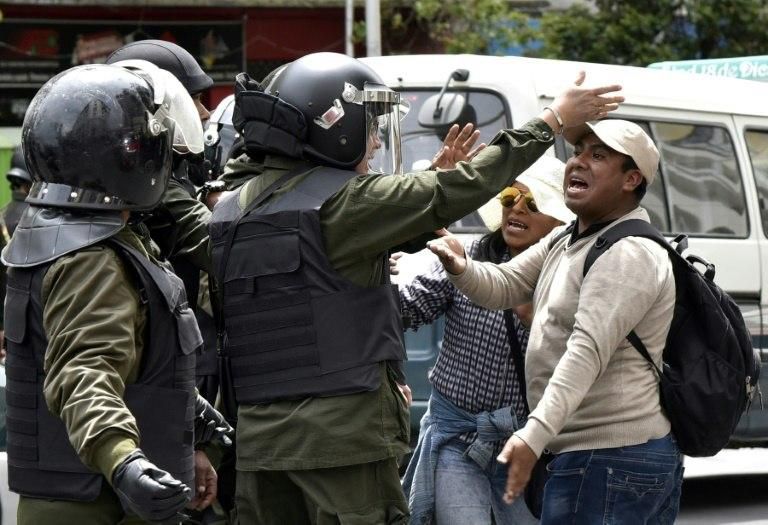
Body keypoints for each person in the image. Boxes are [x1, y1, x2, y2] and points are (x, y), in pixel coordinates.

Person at [209, 51, 622, 524]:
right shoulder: (344, 204)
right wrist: (552, 120)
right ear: (334, 126)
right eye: (369, 126)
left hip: (259, 444)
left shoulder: (231, 211)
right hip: (341, 444)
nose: (373, 142)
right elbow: (468, 184)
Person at [2, 62, 228, 524]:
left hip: (93, 498)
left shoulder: (84, 235)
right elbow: (84, 370)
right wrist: (124, 460)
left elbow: (135, 360)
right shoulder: (91, 258)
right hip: (95, 503)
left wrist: (193, 417)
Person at [427, 119, 684, 524]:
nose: (578, 162)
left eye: (598, 156)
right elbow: (505, 284)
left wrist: (533, 434)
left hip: (612, 457)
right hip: (586, 455)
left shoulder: (628, 252)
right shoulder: (569, 237)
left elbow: (586, 352)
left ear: (631, 179)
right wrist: (459, 264)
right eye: (578, 151)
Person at [398, 156, 574, 525]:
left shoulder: (570, 277)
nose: (516, 209)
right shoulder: (469, 254)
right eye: (511, 197)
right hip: (456, 439)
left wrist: (533, 318)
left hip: (527, 447)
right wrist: (374, 265)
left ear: (560, 223)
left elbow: (580, 363)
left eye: (533, 203)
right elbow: (408, 309)